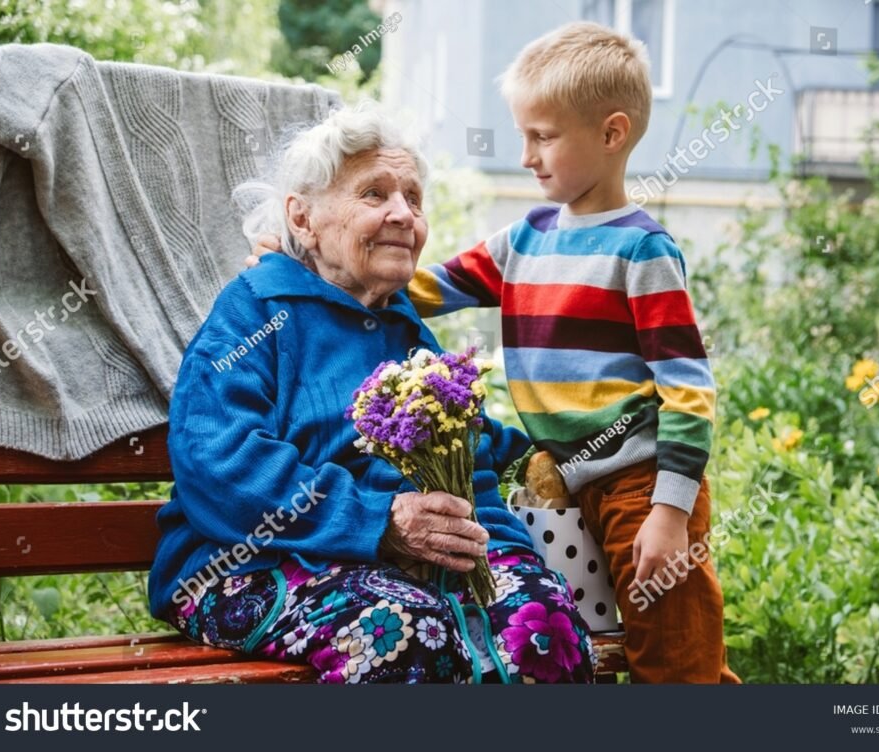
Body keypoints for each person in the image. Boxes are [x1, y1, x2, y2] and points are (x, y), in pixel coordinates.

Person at [252, 22, 740, 683]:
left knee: (674, 653)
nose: (527, 155)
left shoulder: (642, 253)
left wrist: (670, 512)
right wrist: (312, 268)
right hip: (561, 481)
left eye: (543, 136)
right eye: (523, 136)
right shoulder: (525, 239)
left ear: (612, 134)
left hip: (639, 481)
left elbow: (687, 388)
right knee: (587, 643)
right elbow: (419, 288)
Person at [148, 104, 596, 684]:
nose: (403, 214)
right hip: (252, 562)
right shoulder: (256, 312)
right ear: (303, 219)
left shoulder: (408, 332)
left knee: (544, 625)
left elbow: (471, 458)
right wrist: (376, 520)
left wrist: (508, 555)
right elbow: (220, 462)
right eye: (375, 194)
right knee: (400, 631)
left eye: (413, 197)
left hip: (410, 565)